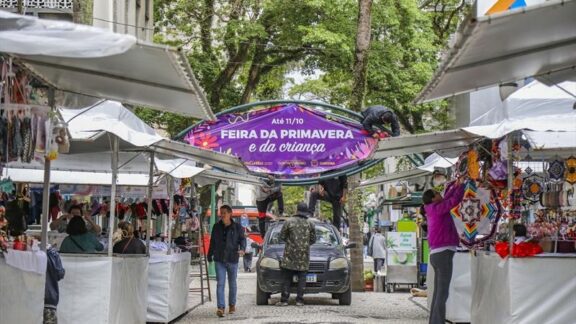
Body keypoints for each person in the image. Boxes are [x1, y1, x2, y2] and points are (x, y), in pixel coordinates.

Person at [422, 177, 465, 324]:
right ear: (433, 198)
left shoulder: (433, 208)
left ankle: (434, 321)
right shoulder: (437, 209)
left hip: (437, 254)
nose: (441, 194)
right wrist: (462, 186)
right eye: (437, 193)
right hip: (443, 253)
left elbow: (447, 198)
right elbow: (453, 201)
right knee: (442, 292)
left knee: (438, 292)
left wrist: (456, 185)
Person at [207, 205, 246, 318]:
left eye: (224, 213)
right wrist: (210, 255)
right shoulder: (216, 226)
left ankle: (232, 305)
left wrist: (242, 249)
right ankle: (221, 307)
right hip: (219, 259)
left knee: (232, 283)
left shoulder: (237, 227)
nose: (222, 215)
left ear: (230, 214)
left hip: (232, 258)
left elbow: (242, 239)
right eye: (221, 213)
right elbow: (212, 241)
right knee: (220, 283)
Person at [276, 202, 316, 307]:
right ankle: (299, 301)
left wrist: (291, 243)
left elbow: (282, 237)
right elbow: (313, 239)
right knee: (302, 279)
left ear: (296, 210)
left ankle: (284, 300)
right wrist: (305, 245)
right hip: (304, 255)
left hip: (289, 255)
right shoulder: (310, 223)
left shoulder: (288, 222)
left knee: (286, 278)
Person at [44, 245, 65, 324]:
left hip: (30, 300)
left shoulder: (28, 251)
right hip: (49, 298)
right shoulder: (53, 253)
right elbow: (60, 274)